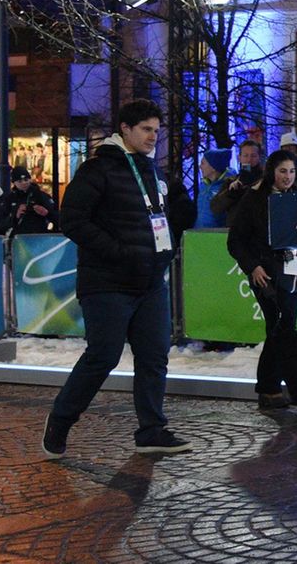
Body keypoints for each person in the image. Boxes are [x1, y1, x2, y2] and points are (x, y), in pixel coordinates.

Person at [41, 99, 192, 459]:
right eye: (146, 129)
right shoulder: (98, 169)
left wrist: (166, 247)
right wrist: (119, 252)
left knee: (155, 355)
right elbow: (73, 220)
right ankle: (60, 420)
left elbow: (161, 221)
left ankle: (151, 431)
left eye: (157, 130)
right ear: (124, 129)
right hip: (107, 282)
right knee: (103, 355)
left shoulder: (153, 172)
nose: (153, 137)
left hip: (150, 281)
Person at [226, 150, 297, 411]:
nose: (288, 176)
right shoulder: (253, 199)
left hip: (294, 274)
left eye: (292, 171)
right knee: (284, 327)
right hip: (266, 275)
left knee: (278, 330)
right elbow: (235, 241)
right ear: (272, 171)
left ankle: (269, 390)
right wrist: (253, 267)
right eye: (283, 171)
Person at [212, 139, 264, 219]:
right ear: (239, 157)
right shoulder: (231, 181)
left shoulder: (265, 180)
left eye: (253, 155)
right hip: (236, 228)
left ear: (259, 157)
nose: (249, 159)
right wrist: (231, 193)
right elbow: (215, 208)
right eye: (245, 155)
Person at [0, 166, 58, 234]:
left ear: (30, 179)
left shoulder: (41, 196)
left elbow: (58, 218)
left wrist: (47, 213)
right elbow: (0, 224)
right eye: (19, 181)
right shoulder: (9, 199)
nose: (24, 183)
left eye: (26, 179)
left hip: (39, 236)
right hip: (18, 238)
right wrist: (15, 216)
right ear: (14, 183)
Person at [194, 148, 234, 228]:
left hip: (218, 236)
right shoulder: (203, 185)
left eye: (203, 163)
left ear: (213, 167)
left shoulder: (227, 186)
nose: (200, 167)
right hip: (199, 234)